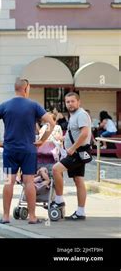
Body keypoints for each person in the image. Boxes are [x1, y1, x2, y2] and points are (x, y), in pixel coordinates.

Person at [0, 78, 55, 225]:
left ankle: (5, 216)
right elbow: (51, 122)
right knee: (28, 182)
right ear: (26, 88)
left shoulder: (5, 105)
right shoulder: (34, 105)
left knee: (8, 182)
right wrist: (42, 139)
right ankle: (32, 217)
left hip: (10, 149)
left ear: (15, 88)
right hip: (29, 149)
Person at [51, 92, 92, 221]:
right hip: (76, 152)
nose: (70, 104)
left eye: (72, 101)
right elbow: (74, 133)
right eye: (67, 102)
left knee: (56, 169)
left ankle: (59, 200)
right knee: (78, 180)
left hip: (76, 153)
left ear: (78, 102)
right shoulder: (74, 115)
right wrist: (62, 138)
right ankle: (80, 212)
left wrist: (72, 148)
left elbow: (85, 133)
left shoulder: (81, 114)